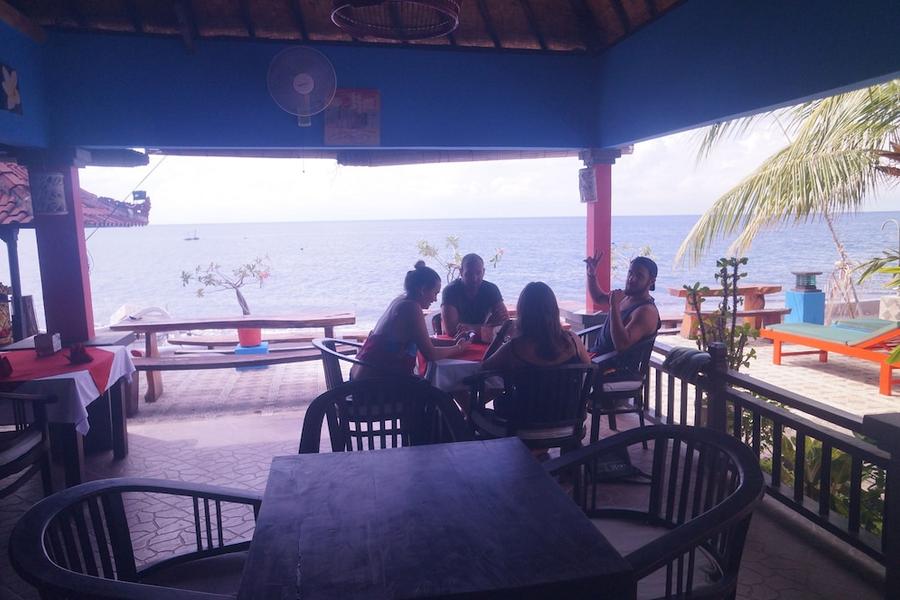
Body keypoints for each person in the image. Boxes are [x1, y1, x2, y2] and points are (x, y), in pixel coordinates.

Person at [352, 261, 471, 380]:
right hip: (375, 383)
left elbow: (422, 340)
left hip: (364, 373)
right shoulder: (411, 308)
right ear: (423, 290)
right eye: (435, 293)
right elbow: (431, 354)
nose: (435, 299)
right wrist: (459, 348)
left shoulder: (401, 300)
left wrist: (452, 342)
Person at [482, 282, 591, 371]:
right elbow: (589, 367)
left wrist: (501, 334)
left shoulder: (514, 348)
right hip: (567, 393)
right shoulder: (573, 341)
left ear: (523, 313)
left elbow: (484, 367)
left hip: (526, 393)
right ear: (554, 310)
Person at [584, 253, 661, 375]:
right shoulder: (626, 296)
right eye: (630, 273)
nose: (631, 279)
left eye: (639, 276)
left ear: (651, 281)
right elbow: (598, 298)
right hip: (596, 358)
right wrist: (591, 275)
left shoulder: (646, 311)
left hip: (613, 369)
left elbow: (622, 344)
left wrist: (614, 306)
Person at [441, 253, 509, 340]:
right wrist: (489, 326)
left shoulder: (491, 289)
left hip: (484, 340)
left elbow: (505, 323)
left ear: (483, 272)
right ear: (461, 272)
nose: (474, 278)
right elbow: (452, 330)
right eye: (469, 274)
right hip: (456, 342)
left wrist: (469, 328)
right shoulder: (450, 291)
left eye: (478, 273)